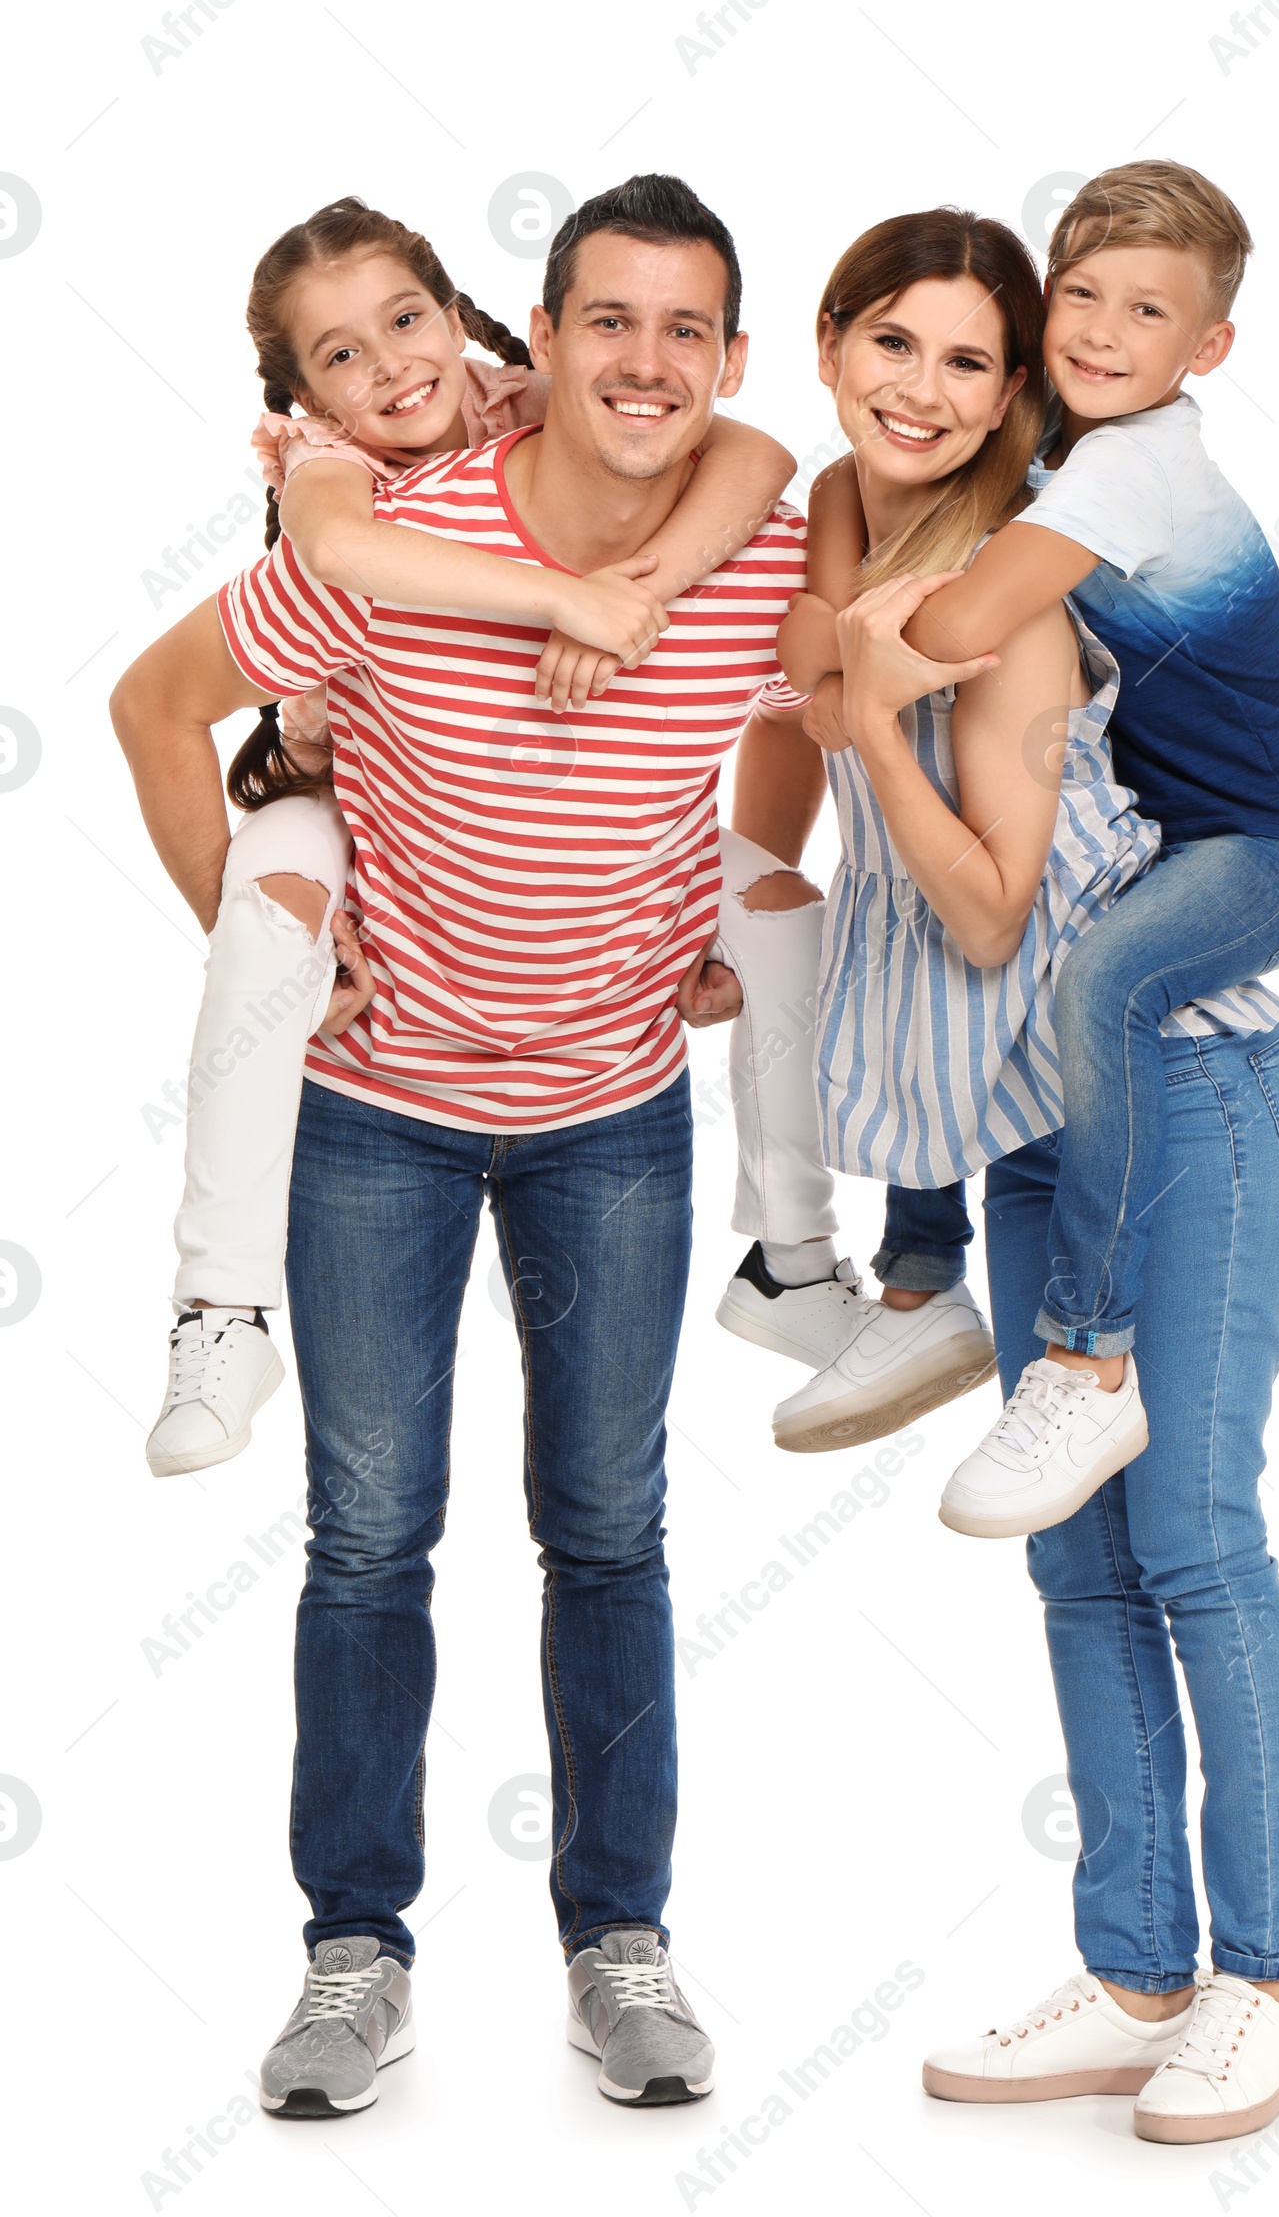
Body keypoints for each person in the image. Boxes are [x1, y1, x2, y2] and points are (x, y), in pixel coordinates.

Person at [110, 173, 807, 2116]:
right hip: (378, 1126)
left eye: (683, 330)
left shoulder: (738, 525)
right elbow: (157, 707)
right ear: (555, 335)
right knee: (366, 1541)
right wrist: (264, 976)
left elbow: (802, 683)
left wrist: (730, 891)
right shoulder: (373, 537)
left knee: (608, 1532)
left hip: (608, 1121)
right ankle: (355, 1956)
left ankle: (620, 1945)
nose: (645, 363)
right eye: (613, 322)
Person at [695, 205, 1279, 2143]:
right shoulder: (840, 525)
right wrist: (764, 869)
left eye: (966, 361)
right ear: (828, 346)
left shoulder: (1012, 600)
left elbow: (979, 921)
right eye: (890, 341)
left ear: (1015, 394)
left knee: (1192, 1535)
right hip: (1025, 1126)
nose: (920, 384)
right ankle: (1136, 1963)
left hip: (1182, 1101)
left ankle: (1267, 1981)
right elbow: (787, 700)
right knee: (1072, 1565)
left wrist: (871, 734)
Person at [140, 195, 793, 1479]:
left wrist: (641, 588)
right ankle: (218, 1310)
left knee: (610, 1519)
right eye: (340, 355)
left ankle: (803, 1253)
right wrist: (565, 600)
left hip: (609, 1091)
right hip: (321, 772)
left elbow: (758, 455)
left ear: (473, 321)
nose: (387, 367)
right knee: (268, 913)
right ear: (305, 394)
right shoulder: (337, 471)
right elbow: (325, 554)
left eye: (406, 322)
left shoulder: (549, 400)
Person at [782, 161, 1279, 1533]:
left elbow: (935, 638)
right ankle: (923, 1281)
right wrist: (841, 678)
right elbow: (844, 576)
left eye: (1149, 312)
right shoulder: (1044, 418)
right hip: (1166, 830)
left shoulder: (1129, 465)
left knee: (1097, 979)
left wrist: (849, 684)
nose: (1105, 334)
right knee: (919, 937)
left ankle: (1088, 1355)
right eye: (1081, 297)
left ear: (1208, 349)